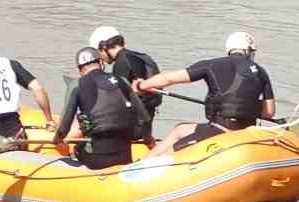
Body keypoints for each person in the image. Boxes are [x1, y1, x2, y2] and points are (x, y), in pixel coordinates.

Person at [136, 32, 276, 156]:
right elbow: (268, 112)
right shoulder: (261, 72)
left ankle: (145, 163)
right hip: (245, 132)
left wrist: (141, 85)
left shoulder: (211, 65)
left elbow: (169, 79)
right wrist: (246, 106)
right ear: (248, 50)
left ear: (229, 49)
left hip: (220, 130)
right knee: (181, 128)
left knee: (168, 152)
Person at [54, 46, 148, 170]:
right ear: (100, 63)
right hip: (124, 153)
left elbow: (63, 128)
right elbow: (145, 118)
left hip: (96, 156)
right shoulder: (123, 81)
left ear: (80, 70)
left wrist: (57, 140)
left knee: (77, 148)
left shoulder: (76, 85)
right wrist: (149, 138)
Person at [90, 25, 162, 144]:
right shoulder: (139, 56)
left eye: (98, 53)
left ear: (103, 47)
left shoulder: (121, 63)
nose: (99, 57)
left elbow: (115, 101)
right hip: (146, 123)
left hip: (133, 128)